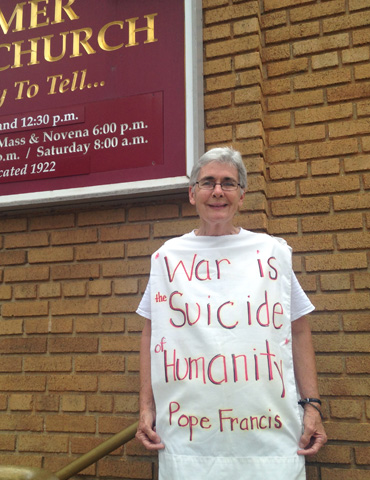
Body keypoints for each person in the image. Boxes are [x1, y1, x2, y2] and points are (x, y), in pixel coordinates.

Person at [136, 147, 326, 479]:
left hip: (267, 432)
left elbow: (297, 329)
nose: (218, 191)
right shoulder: (168, 258)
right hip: (191, 437)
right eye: (208, 182)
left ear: (242, 196)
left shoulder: (270, 253)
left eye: (229, 183)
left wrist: (312, 406)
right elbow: (152, 334)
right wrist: (146, 407)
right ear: (192, 193)